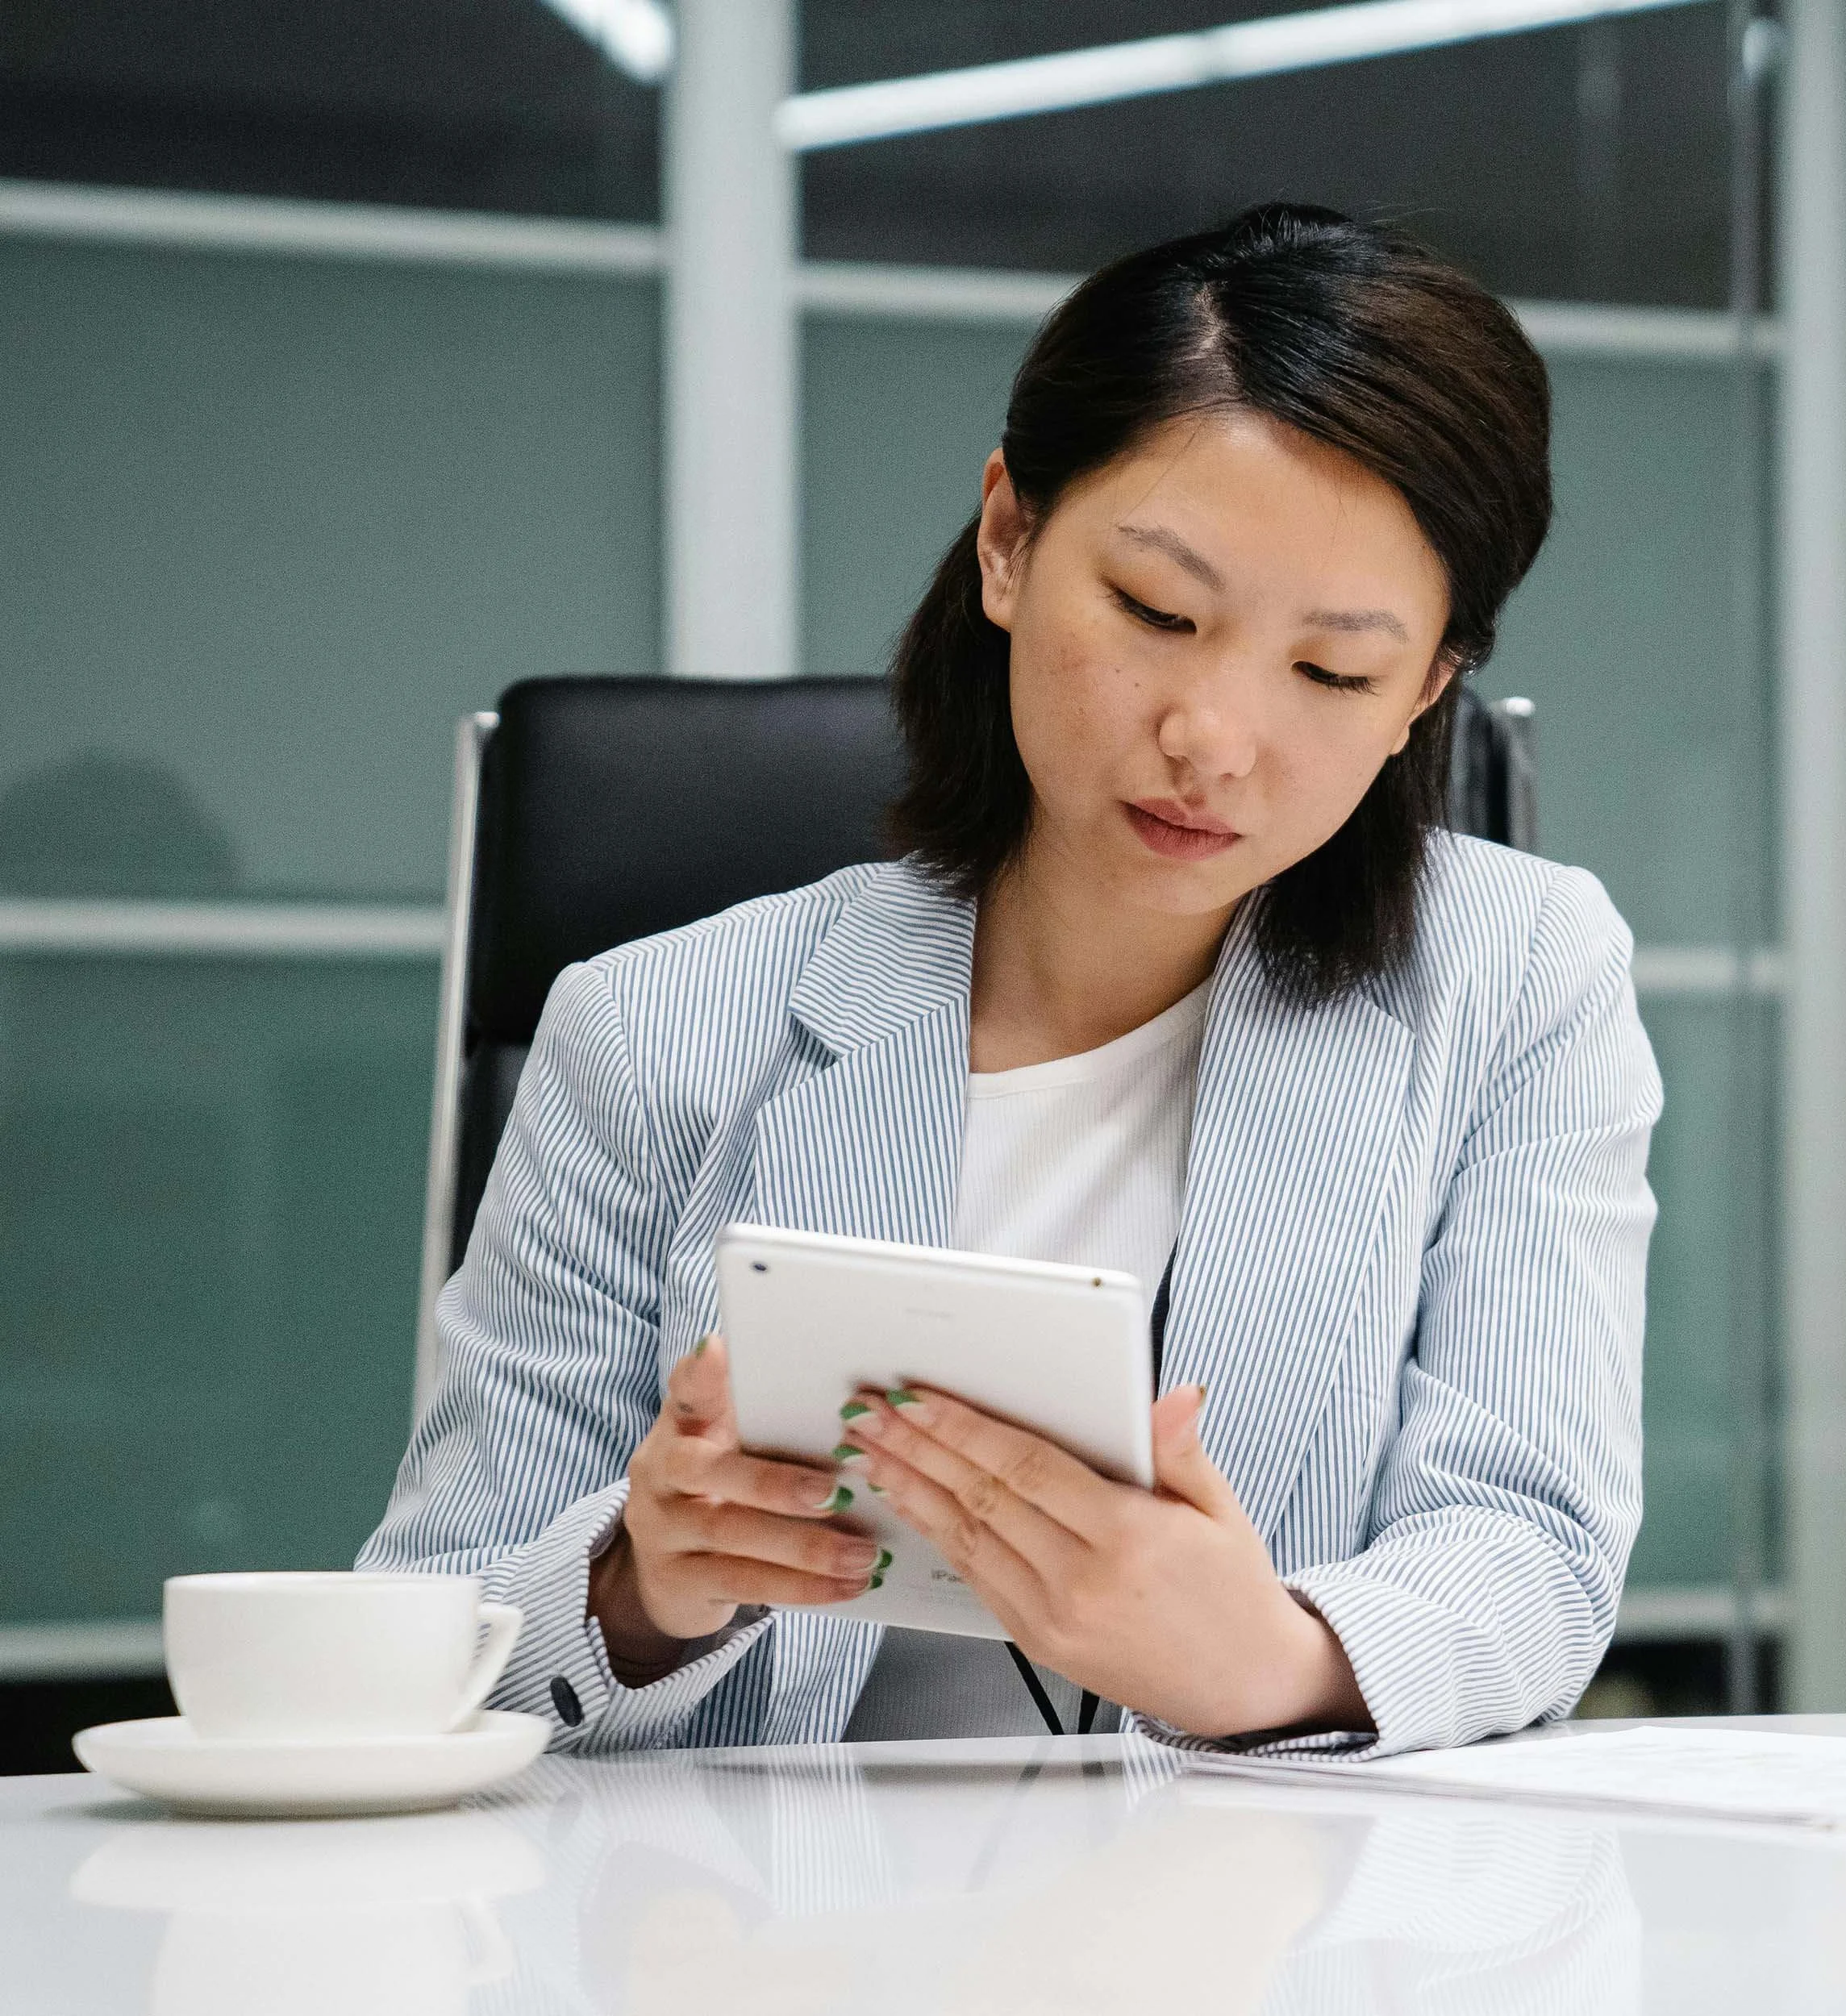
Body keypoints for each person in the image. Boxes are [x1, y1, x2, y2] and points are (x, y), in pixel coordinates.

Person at [361, 202, 1661, 1760]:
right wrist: (639, 1586)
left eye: (1332, 672)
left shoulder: (1517, 984)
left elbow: (1539, 1550)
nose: (1214, 738)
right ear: (1007, 541)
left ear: (1427, 692)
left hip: (1264, 1946)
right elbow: (431, 1630)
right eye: (1158, 614)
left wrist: (1273, 1657)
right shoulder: (651, 1033)